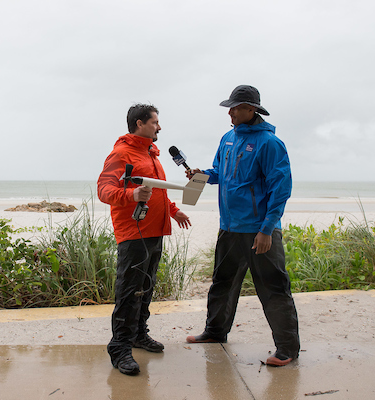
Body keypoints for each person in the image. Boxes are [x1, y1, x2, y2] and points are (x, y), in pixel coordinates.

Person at [185, 85, 300, 367]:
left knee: (273, 288)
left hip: (260, 230)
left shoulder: (270, 144)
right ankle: (215, 332)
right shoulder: (227, 138)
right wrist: (203, 175)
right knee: (222, 283)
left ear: (252, 109)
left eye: (235, 107)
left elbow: (281, 189)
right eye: (230, 107)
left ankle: (287, 348)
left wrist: (267, 229)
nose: (230, 112)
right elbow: (220, 173)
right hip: (230, 227)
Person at [97, 103, 191, 375]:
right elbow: (104, 190)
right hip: (133, 234)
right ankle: (120, 349)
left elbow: (157, 191)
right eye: (154, 122)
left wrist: (174, 211)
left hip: (155, 232)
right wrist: (131, 195)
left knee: (146, 288)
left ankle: (139, 335)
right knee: (129, 292)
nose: (159, 127)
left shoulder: (151, 154)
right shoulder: (121, 153)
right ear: (140, 123)